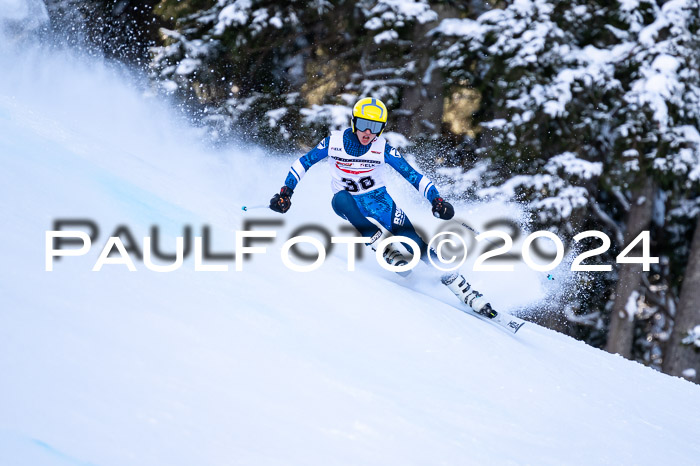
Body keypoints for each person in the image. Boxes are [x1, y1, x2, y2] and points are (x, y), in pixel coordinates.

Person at [269, 97, 497, 318]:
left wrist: (436, 200)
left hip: (380, 202)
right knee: (341, 200)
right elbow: (303, 163)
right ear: (354, 122)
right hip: (349, 202)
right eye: (364, 125)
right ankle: (385, 248)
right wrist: (286, 192)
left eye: (375, 127)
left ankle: (462, 288)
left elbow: (413, 176)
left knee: (415, 241)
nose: (368, 133)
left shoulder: (382, 148)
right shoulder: (334, 142)